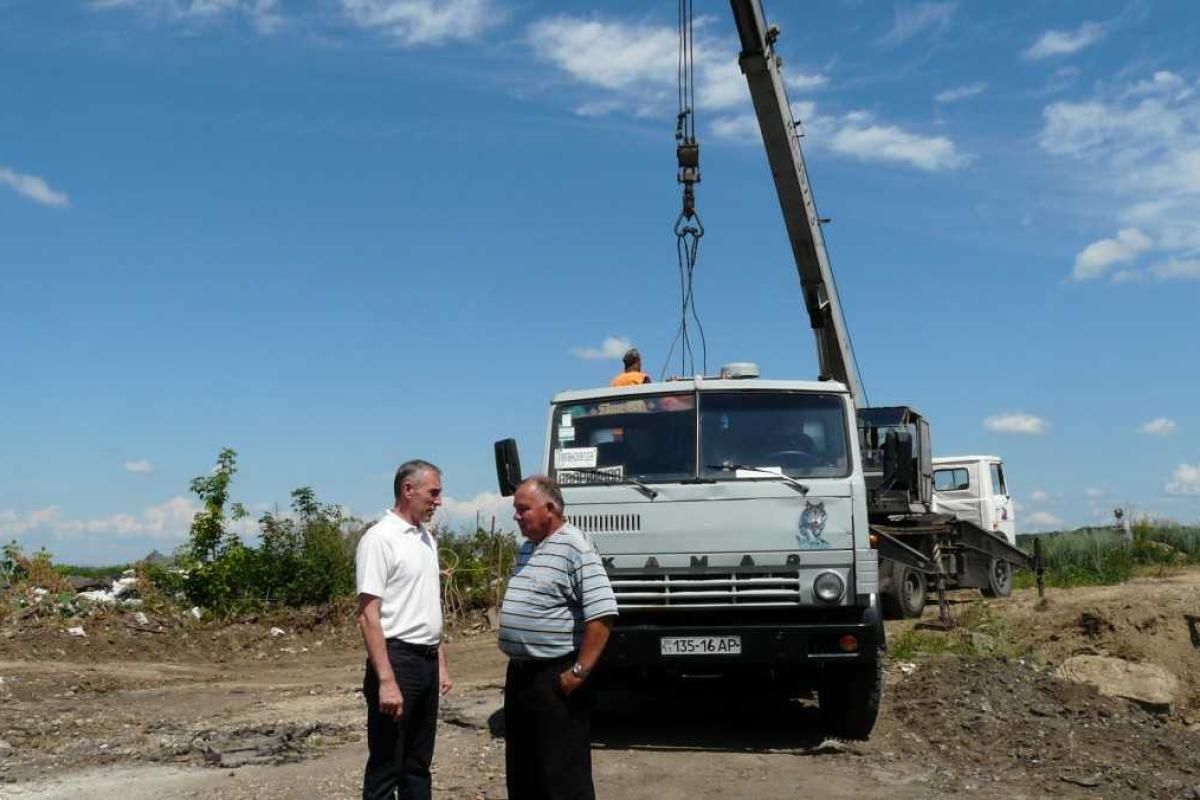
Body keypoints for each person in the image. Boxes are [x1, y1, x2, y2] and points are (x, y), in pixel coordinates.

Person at [499, 476, 618, 800]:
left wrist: (578, 672)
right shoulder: (529, 548)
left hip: (555, 675)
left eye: (523, 509)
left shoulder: (576, 546)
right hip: (522, 675)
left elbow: (602, 615)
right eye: (516, 509)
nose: (517, 516)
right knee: (524, 769)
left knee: (562, 773)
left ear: (550, 508)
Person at [355, 459, 453, 800]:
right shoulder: (380, 539)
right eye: (433, 493)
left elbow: (425, 605)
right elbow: (368, 615)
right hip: (397, 660)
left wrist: (439, 661)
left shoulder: (427, 539)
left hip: (424, 661)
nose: (438, 501)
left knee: (417, 765)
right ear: (407, 489)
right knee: (387, 767)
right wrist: (386, 680)